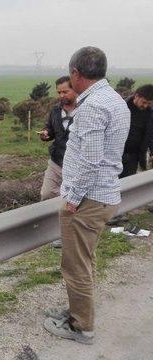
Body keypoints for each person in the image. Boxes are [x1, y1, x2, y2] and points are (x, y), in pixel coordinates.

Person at [43, 47, 130, 345]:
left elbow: (91, 160)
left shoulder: (92, 106)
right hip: (104, 194)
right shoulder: (115, 100)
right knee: (84, 259)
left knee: (75, 265)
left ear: (76, 74)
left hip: (87, 200)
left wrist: (73, 198)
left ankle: (81, 327)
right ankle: (78, 310)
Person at [38, 76, 78, 201]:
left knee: (73, 198)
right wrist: (46, 133)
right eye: (59, 92)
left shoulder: (86, 110)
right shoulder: (55, 110)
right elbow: (50, 128)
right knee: (46, 194)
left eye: (65, 92)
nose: (61, 95)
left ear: (75, 90)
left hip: (76, 165)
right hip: (56, 160)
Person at [119, 84, 153, 178]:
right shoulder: (121, 107)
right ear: (136, 96)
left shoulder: (150, 113)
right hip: (116, 155)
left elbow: (150, 134)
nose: (145, 106)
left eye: (149, 104)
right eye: (144, 102)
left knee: (128, 186)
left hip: (134, 157)